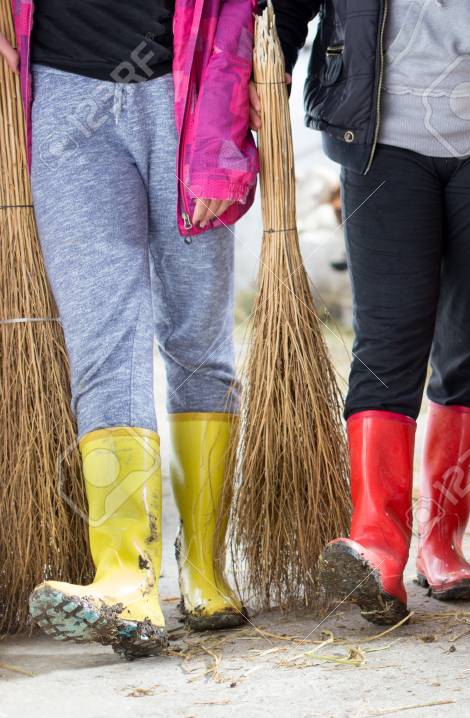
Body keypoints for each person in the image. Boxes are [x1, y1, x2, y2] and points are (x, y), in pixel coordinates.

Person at [272, 0, 470, 625]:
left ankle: (442, 540)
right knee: (388, 336)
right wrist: (271, 61)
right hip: (380, 135)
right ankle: (377, 542)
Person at [11, 0, 259, 658]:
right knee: (102, 344)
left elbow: (240, 12)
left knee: (198, 343)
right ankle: (126, 578)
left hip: (187, 96)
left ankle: (204, 571)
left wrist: (222, 143)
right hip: (64, 101)